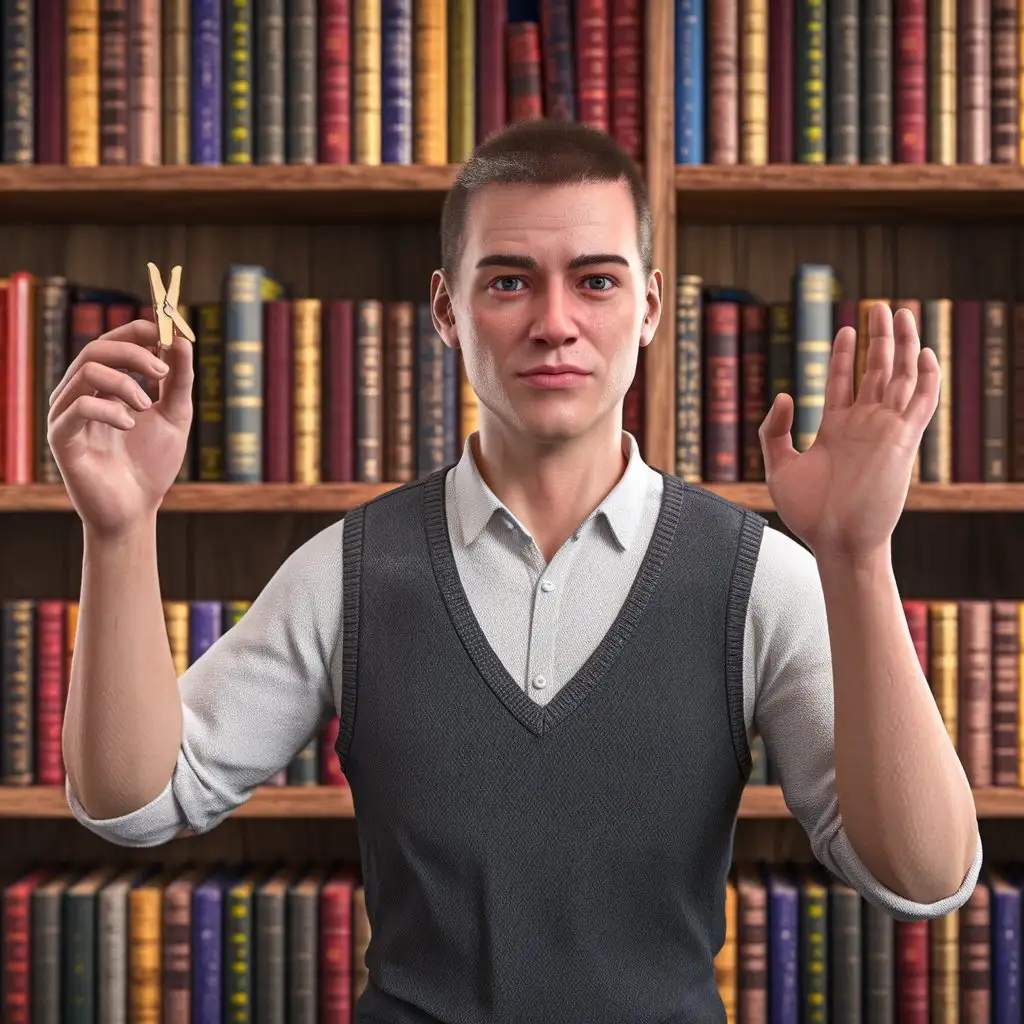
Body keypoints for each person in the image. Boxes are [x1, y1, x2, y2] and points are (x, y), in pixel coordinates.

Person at [50, 118, 981, 1022]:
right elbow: (136, 801)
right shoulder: (348, 572)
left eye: (596, 281)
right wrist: (121, 529)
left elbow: (924, 880)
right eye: (508, 281)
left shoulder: (760, 580)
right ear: (447, 310)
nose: (555, 323)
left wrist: (856, 558)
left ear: (651, 307)